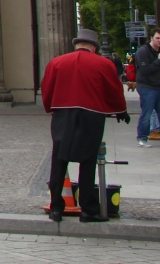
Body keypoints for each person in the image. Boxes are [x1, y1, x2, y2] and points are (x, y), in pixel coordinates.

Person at [41, 28, 128, 222]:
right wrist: (120, 109)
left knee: (59, 160)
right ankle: (88, 209)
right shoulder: (104, 64)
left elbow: (46, 89)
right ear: (94, 48)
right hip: (91, 114)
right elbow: (114, 89)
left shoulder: (56, 63)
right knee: (88, 162)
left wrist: (51, 108)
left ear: (76, 45)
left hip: (63, 113)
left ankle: (56, 207)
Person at [133, 29, 160, 146]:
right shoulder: (143, 52)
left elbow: (159, 70)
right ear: (151, 38)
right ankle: (142, 137)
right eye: (157, 38)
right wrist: (158, 60)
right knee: (147, 113)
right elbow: (145, 70)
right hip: (147, 86)